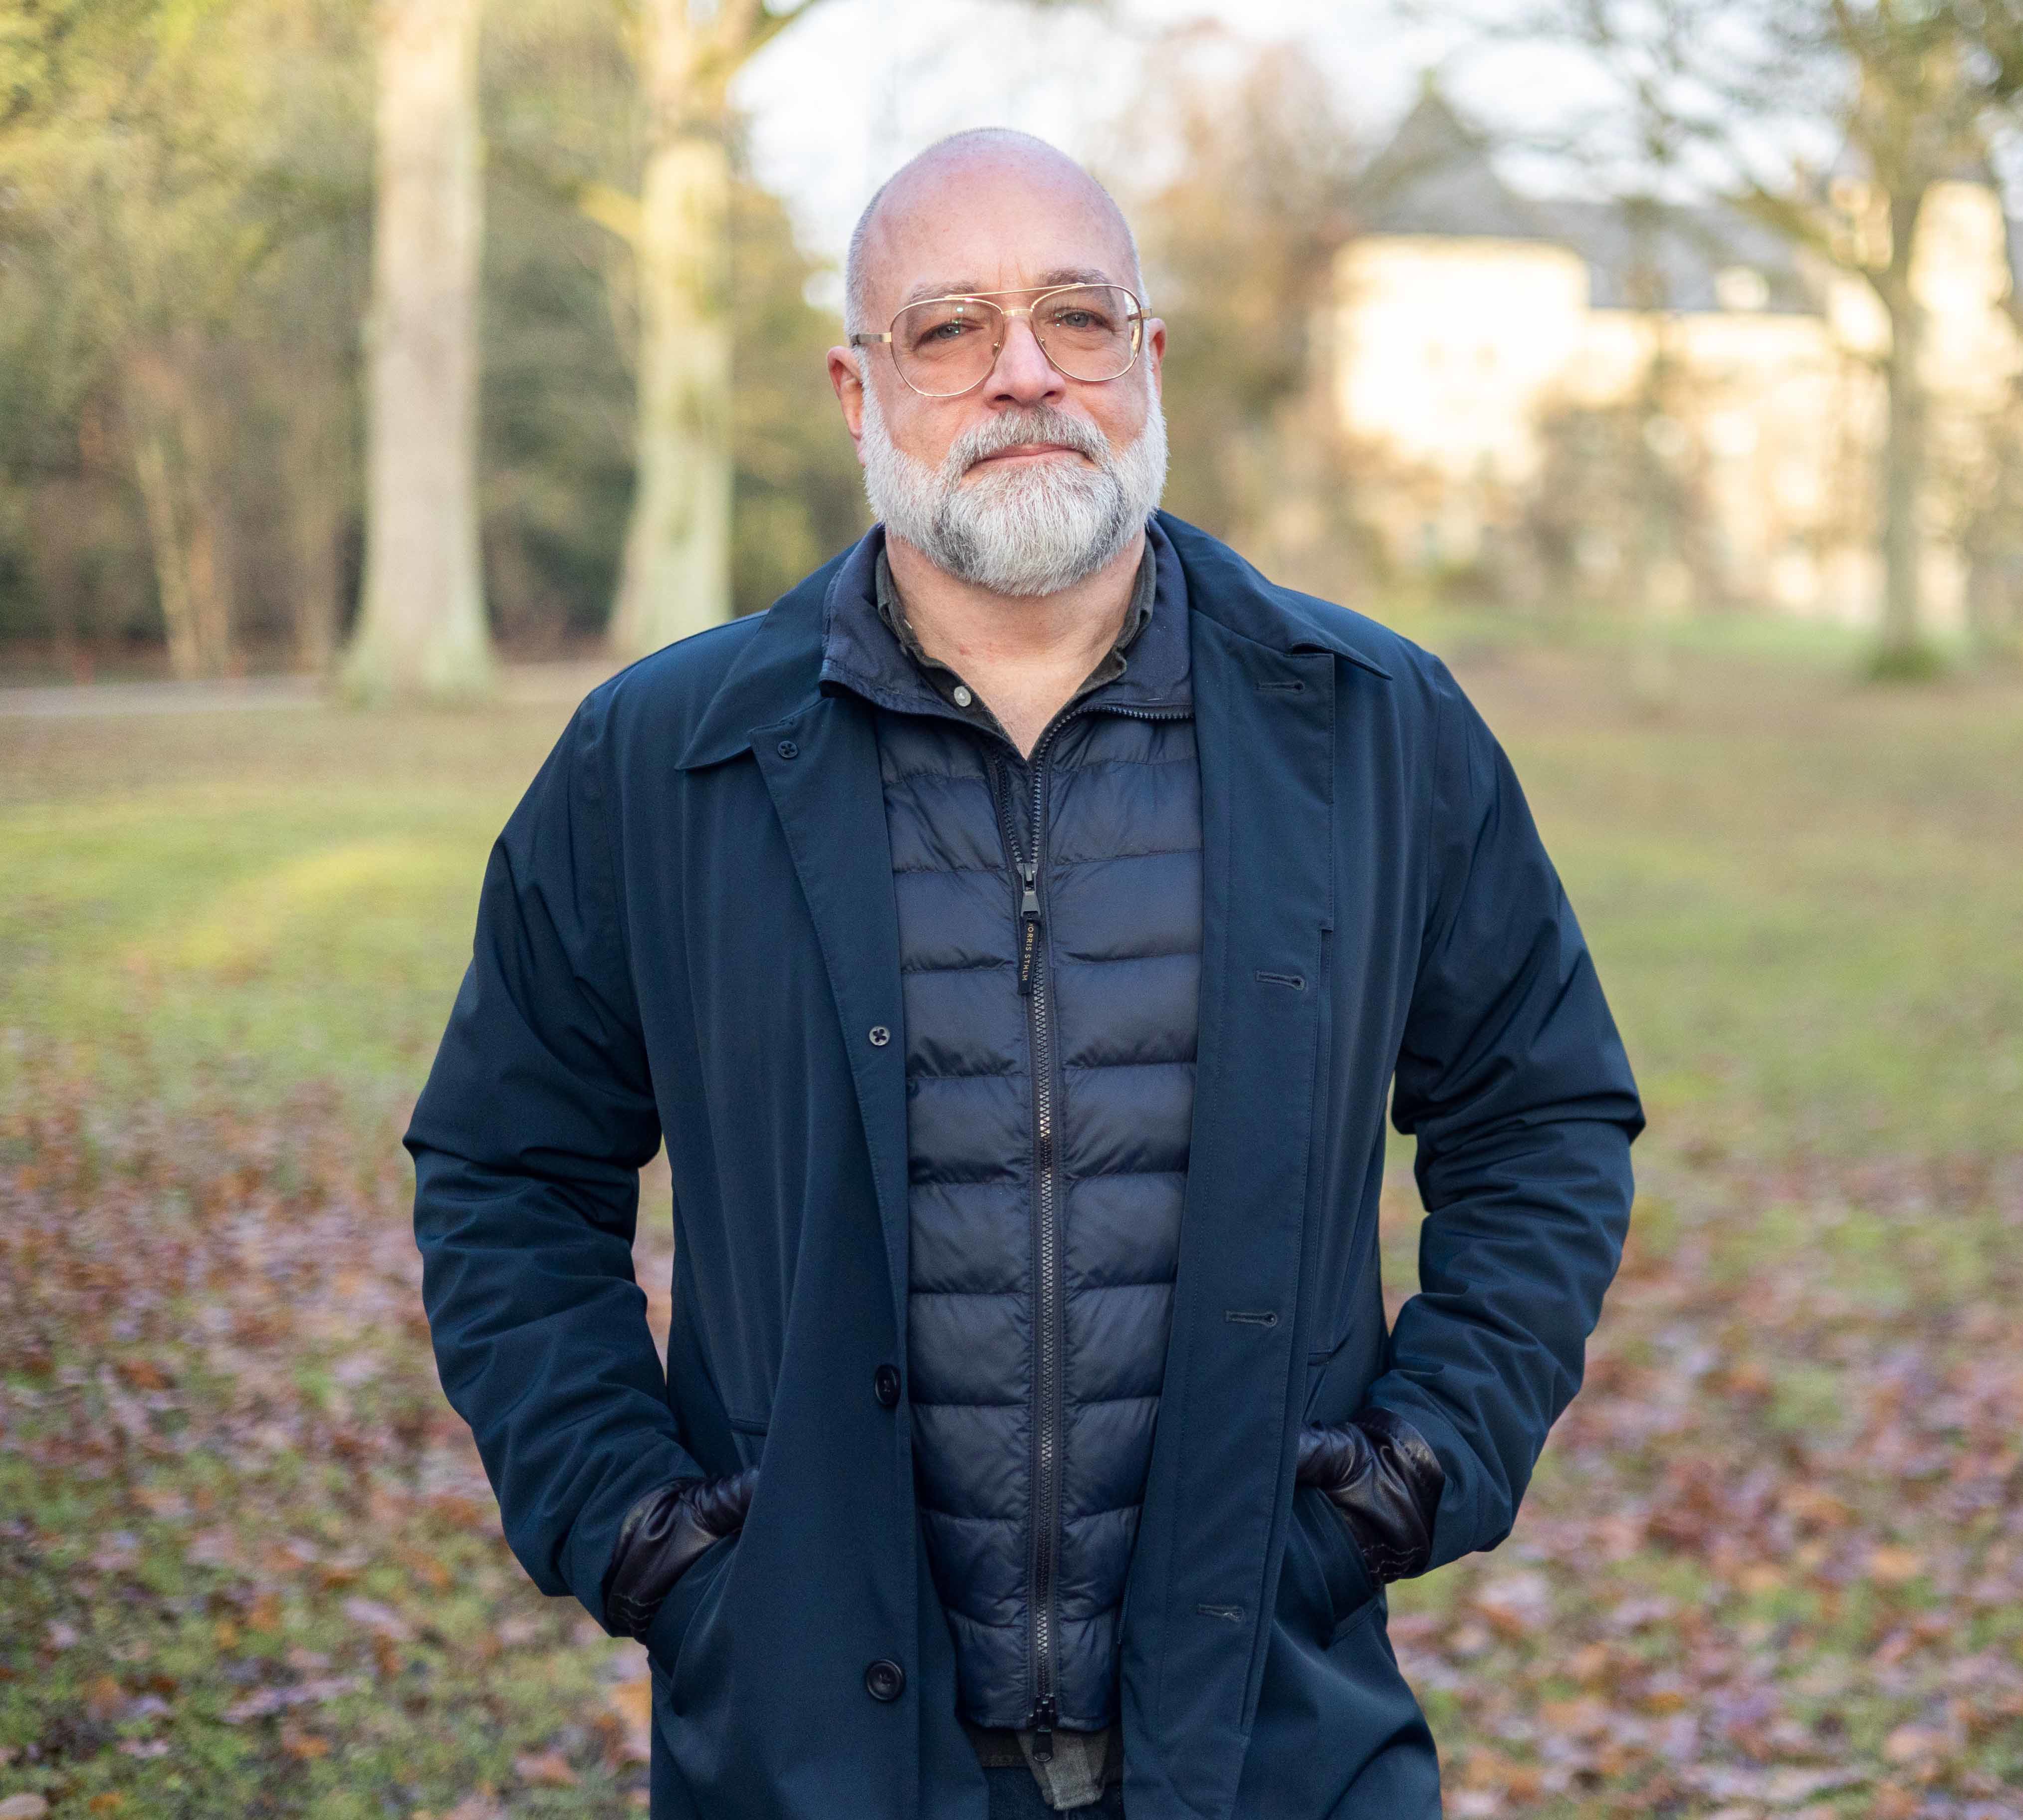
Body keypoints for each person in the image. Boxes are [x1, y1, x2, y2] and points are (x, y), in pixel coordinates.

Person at [408, 128, 1641, 1820]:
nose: (1024, 375)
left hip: (1274, 1732)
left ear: (1149, 360)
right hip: (812, 1747)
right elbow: (505, 1169)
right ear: (857, 389)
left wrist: (1415, 1475)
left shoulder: (1372, 728)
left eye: (1077, 316)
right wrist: (644, 1538)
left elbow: (1544, 1118)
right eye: (948, 331)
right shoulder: (662, 759)